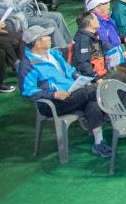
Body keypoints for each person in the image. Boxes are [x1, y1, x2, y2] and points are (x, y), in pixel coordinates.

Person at [18, 25, 112, 157]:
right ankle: (117, 114)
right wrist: (54, 94)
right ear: (37, 42)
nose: (50, 38)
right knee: (94, 91)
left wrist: (80, 79)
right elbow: (27, 91)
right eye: (47, 36)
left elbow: (71, 71)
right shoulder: (27, 65)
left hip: (73, 94)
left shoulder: (54, 55)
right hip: (53, 103)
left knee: (93, 102)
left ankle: (98, 142)